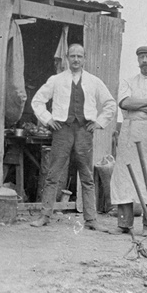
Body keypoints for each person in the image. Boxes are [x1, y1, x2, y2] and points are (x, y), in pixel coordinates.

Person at [30, 44, 117, 231]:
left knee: (86, 175)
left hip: (84, 131)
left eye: (79, 56)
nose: (76, 60)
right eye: (72, 56)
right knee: (53, 174)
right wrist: (48, 119)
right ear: (67, 58)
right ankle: (45, 215)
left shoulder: (94, 81)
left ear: (84, 58)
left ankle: (91, 220)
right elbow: (37, 101)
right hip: (62, 130)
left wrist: (99, 122)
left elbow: (110, 104)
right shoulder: (56, 80)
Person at [109, 46, 147, 236]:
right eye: (141, 57)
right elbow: (125, 103)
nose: (145, 60)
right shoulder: (128, 81)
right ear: (138, 61)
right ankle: (124, 224)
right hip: (130, 131)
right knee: (124, 176)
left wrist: (138, 105)